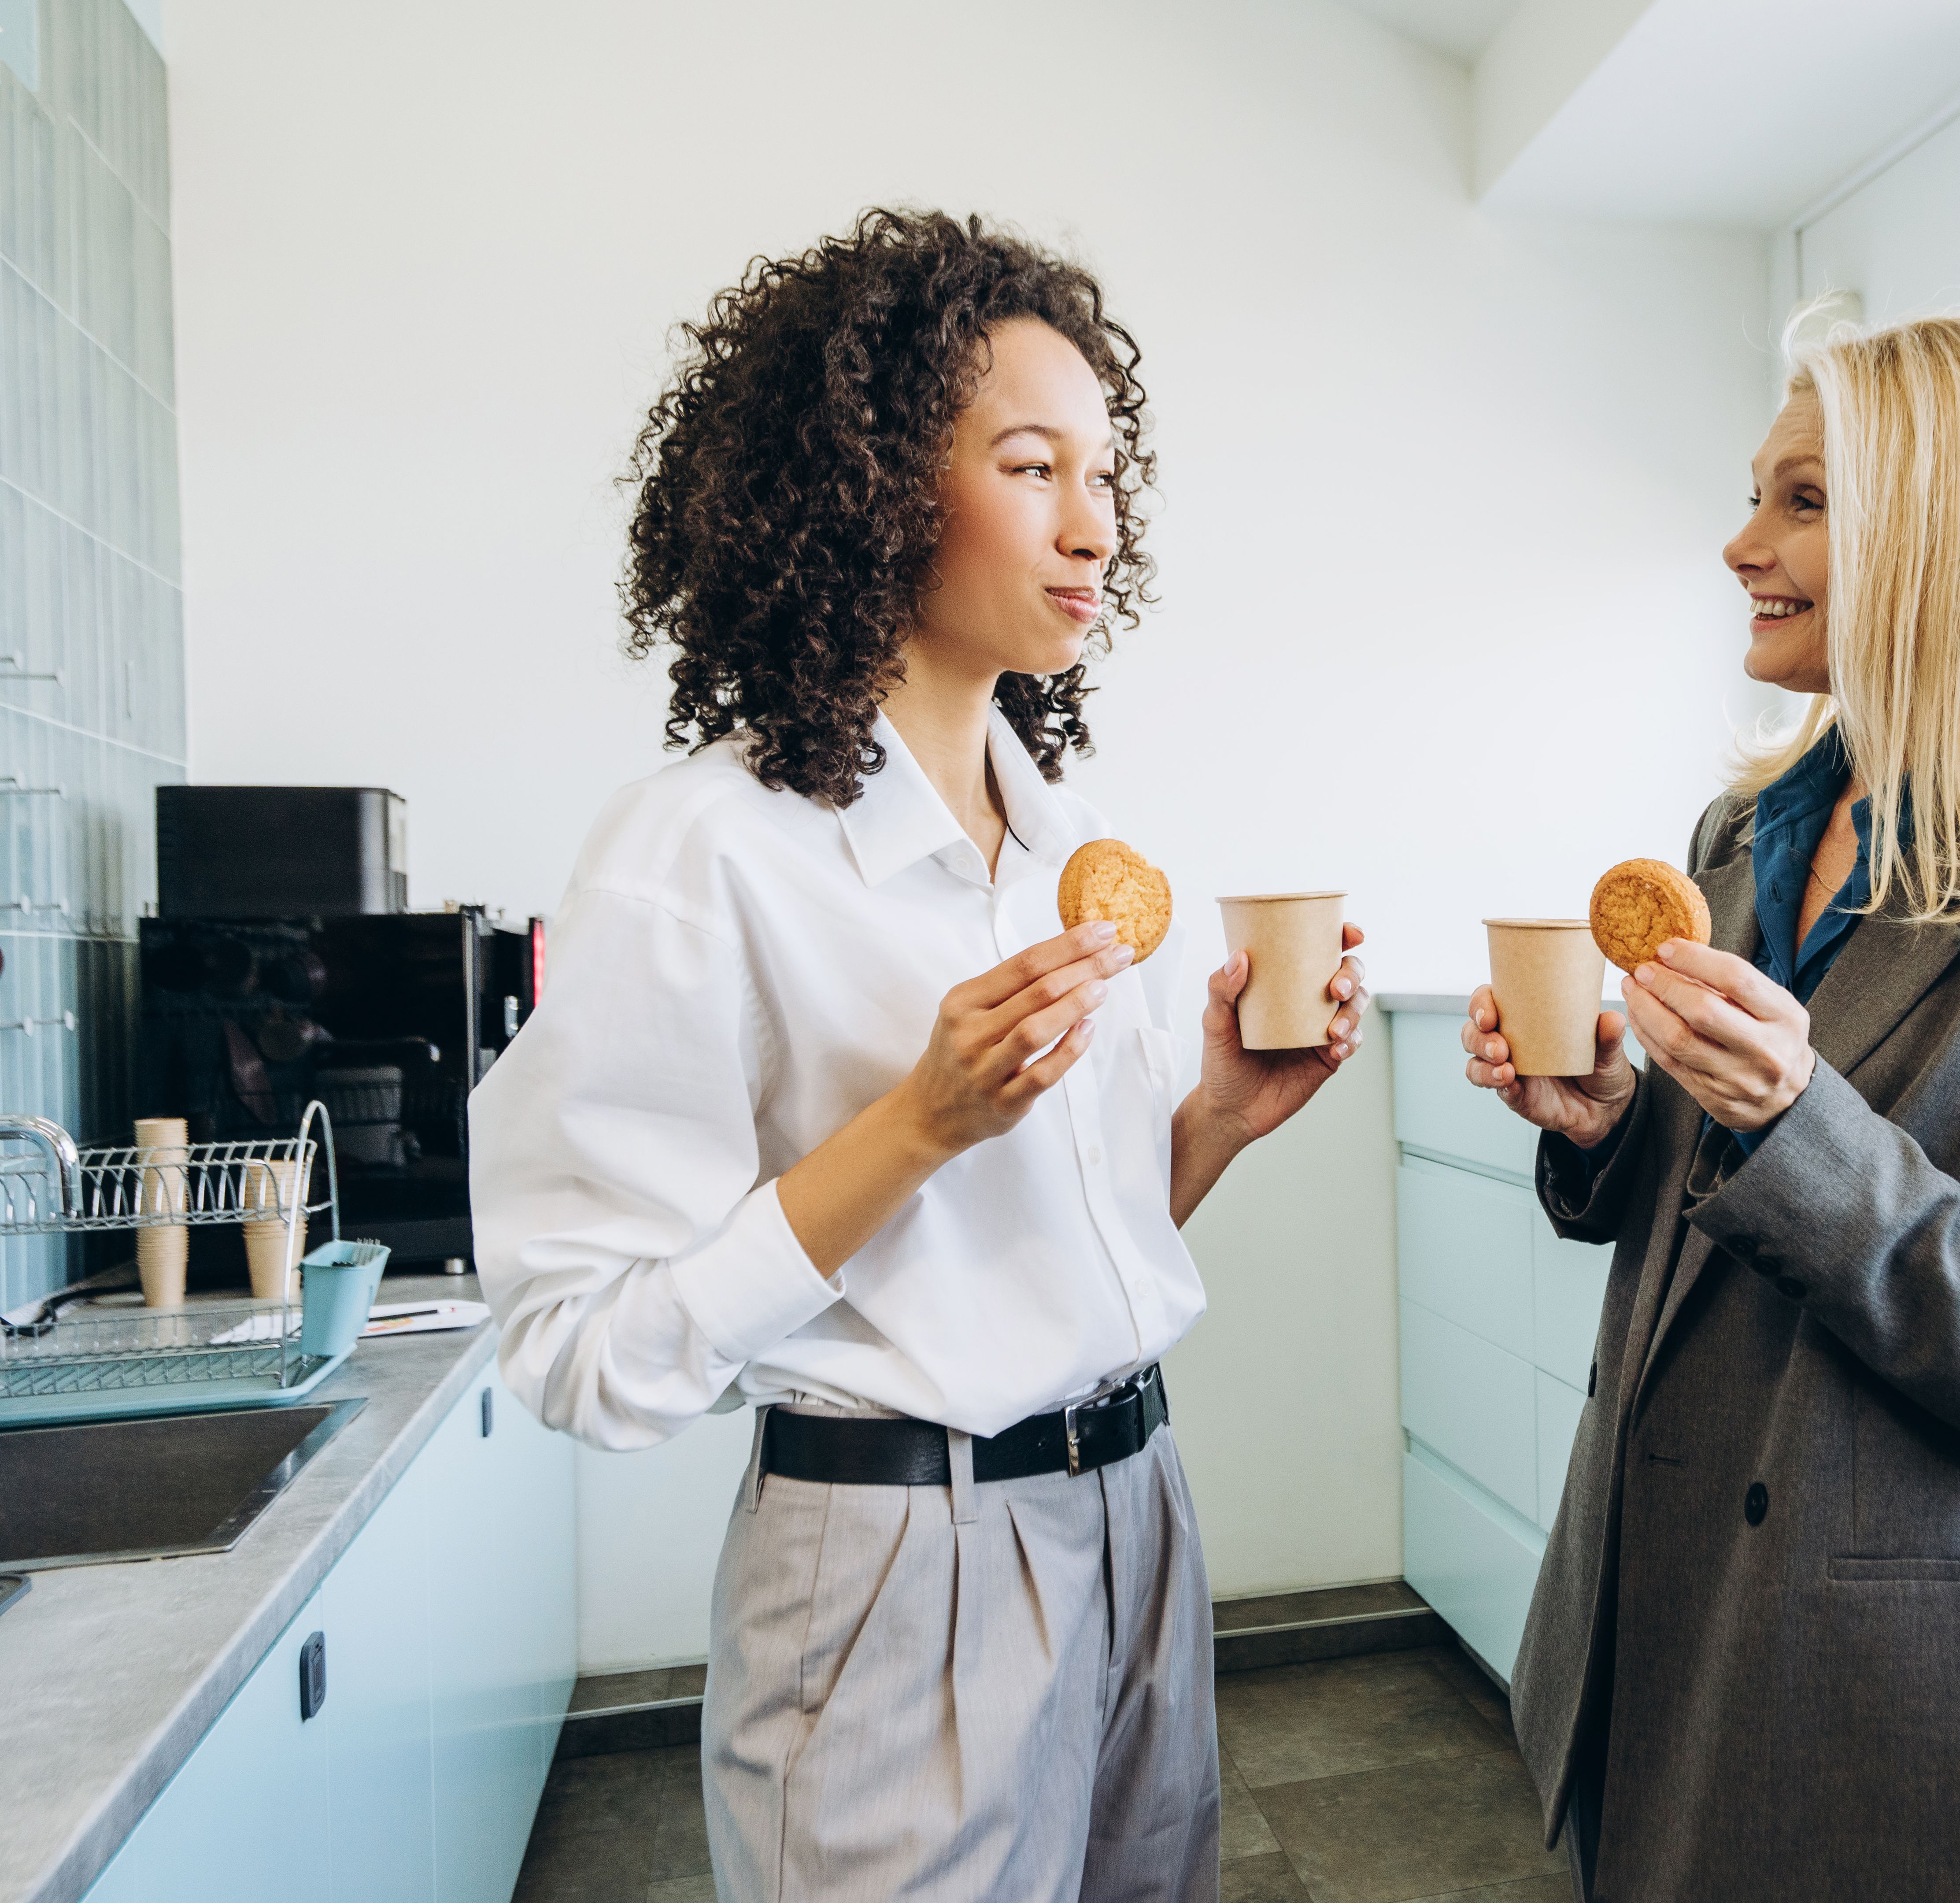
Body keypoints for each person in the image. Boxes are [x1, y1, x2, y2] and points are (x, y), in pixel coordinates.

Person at [470, 210, 1368, 1903]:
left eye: (1109, 476)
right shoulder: (701, 855)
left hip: (1138, 1519)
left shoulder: (1070, 843)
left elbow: (1042, 1256)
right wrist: (916, 1124)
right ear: (871, 488)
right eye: (1035, 467)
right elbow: (583, 1354)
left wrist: (1218, 1124)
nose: (1095, 525)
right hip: (894, 1565)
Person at [1465, 312, 1960, 1902]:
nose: (1741, 543)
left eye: (1802, 501)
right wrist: (1603, 1117)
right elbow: (1697, 1192)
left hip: (1873, 1679)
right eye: (1758, 495)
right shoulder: (1737, 833)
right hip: (1650, 1600)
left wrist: (1802, 1119)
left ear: (1942, 533)